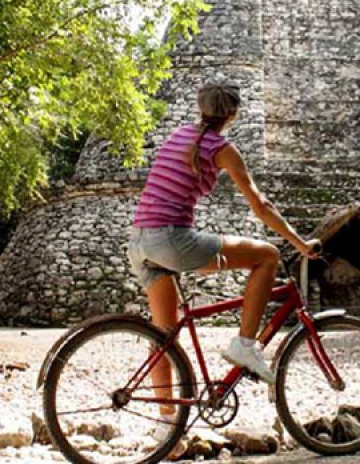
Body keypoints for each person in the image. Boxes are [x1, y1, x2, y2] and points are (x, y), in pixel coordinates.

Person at [127, 83, 321, 423]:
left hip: (140, 242)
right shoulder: (224, 149)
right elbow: (260, 206)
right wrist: (300, 243)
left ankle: (166, 429)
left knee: (163, 338)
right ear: (233, 114)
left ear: (201, 108)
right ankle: (245, 344)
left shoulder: (179, 135)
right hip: (172, 242)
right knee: (268, 255)